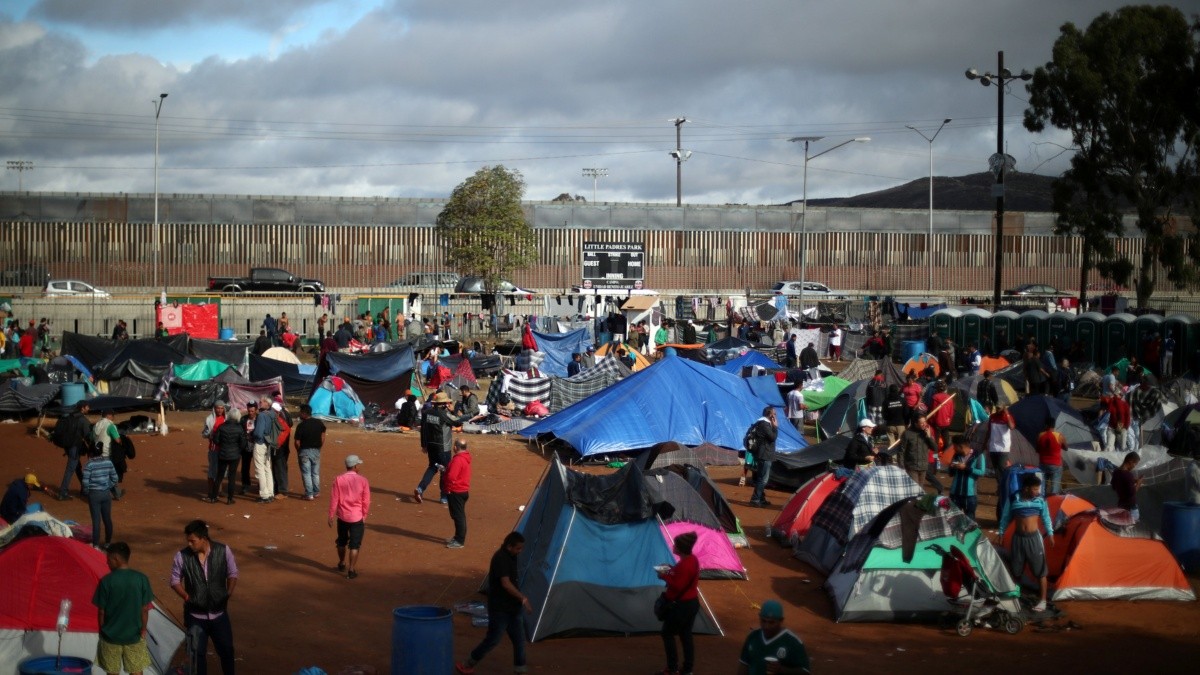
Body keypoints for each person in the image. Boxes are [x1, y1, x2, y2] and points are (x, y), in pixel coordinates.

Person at [456, 532, 532, 675]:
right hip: (500, 608)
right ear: (509, 546)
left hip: (513, 608)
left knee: (519, 640)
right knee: (493, 639)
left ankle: (520, 670)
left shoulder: (511, 556)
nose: (520, 551)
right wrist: (523, 598)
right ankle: (468, 663)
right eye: (518, 548)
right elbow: (506, 583)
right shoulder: (500, 558)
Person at [170, 520, 238, 675]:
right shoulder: (181, 556)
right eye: (188, 541)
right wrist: (187, 596)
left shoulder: (223, 550)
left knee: (227, 651)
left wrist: (228, 593)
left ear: (203, 538)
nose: (189, 544)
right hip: (195, 617)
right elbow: (174, 581)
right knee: (197, 656)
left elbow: (232, 574)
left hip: (219, 615)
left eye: (192, 541)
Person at [92, 542, 154, 675]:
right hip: (134, 636)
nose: (107, 563)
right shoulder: (141, 579)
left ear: (116, 559)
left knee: (112, 671)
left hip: (110, 637)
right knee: (137, 670)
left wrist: (102, 630)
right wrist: (143, 629)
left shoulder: (106, 581)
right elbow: (144, 609)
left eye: (108, 560)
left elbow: (101, 611)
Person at [997, 473, 1054, 613]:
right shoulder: (1013, 498)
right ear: (1026, 488)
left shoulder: (1040, 500)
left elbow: (1046, 518)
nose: (1037, 491)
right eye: (1035, 489)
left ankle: (1043, 600)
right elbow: (1005, 516)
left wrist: (1051, 534)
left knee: (1040, 571)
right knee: (1016, 571)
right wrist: (1001, 532)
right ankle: (1015, 598)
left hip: (1034, 539)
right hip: (1018, 539)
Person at [656, 531, 701, 675]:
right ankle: (687, 669)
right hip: (692, 603)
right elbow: (680, 575)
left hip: (681, 606)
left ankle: (672, 668)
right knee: (686, 635)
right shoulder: (692, 560)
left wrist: (663, 575)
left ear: (680, 548)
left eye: (676, 545)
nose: (674, 546)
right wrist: (670, 569)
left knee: (667, 633)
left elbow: (677, 585)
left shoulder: (684, 565)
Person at [415, 392, 471, 504]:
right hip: (443, 447)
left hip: (431, 445)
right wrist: (453, 411)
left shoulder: (426, 413)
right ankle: (444, 496)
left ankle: (420, 488)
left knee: (432, 467)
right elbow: (457, 421)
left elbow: (423, 430)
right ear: (444, 403)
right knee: (445, 470)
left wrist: (424, 444)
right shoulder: (444, 414)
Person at [737, 599, 810, 675]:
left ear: (781, 621)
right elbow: (744, 665)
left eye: (771, 622)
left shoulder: (793, 642)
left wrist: (781, 670)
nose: (766, 626)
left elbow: (805, 672)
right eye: (763, 621)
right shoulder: (752, 637)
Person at [329, 454, 370, 579]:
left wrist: (331, 515)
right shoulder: (363, 480)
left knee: (341, 541)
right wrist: (364, 515)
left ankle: (342, 562)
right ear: (355, 466)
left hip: (342, 516)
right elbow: (366, 500)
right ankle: (351, 570)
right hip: (357, 517)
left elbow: (334, 499)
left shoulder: (338, 479)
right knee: (354, 544)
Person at [82, 444, 119, 549]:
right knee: (107, 519)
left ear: (91, 453)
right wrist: (108, 486)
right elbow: (115, 478)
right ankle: (107, 543)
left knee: (96, 521)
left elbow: (85, 482)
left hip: (94, 494)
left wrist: (86, 492)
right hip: (106, 494)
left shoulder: (89, 465)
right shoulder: (108, 462)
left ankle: (96, 545)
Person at [56, 400, 92, 500]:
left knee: (76, 467)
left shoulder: (70, 416)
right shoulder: (83, 420)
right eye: (87, 407)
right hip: (75, 448)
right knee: (70, 469)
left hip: (68, 446)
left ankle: (84, 489)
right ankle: (63, 492)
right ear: (82, 408)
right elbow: (88, 436)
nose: (89, 408)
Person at [948, 434, 987, 520]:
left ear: (960, 446)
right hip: (955, 494)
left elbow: (981, 472)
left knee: (969, 520)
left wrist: (966, 468)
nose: (954, 449)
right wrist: (951, 467)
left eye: (955, 447)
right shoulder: (956, 456)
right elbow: (950, 474)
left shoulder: (978, 456)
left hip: (970, 495)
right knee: (954, 519)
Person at [211, 408, 245, 504]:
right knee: (232, 477)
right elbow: (243, 444)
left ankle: (213, 497)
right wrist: (237, 449)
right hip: (234, 455)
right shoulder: (239, 428)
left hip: (223, 454)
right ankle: (230, 499)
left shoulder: (221, 427)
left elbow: (216, 440)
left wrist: (223, 445)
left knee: (219, 476)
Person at [293, 404, 327, 501]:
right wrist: (320, 446)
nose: (299, 414)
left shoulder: (301, 426)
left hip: (304, 451)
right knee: (315, 473)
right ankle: (316, 492)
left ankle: (309, 494)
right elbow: (323, 435)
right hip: (316, 450)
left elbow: (297, 442)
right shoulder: (319, 423)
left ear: (304, 413)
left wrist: (299, 450)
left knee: (306, 473)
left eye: (300, 412)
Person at [986, 404, 1016, 510]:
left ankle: (1004, 489)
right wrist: (986, 444)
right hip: (993, 447)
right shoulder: (992, 417)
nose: (998, 410)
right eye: (997, 408)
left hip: (1003, 449)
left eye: (1000, 408)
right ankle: (1001, 487)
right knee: (997, 470)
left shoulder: (1007, 416)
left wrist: (1007, 414)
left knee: (1002, 469)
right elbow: (989, 431)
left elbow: (1012, 427)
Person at [748, 407, 779, 507]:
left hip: (762, 453)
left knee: (761, 477)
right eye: (774, 414)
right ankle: (755, 499)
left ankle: (761, 498)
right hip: (765, 454)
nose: (775, 415)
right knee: (763, 479)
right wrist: (775, 427)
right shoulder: (764, 425)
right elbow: (772, 438)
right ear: (770, 415)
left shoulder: (760, 423)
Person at [444, 439, 471, 549]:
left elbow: (451, 477)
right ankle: (457, 537)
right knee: (459, 516)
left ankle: (459, 540)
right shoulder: (465, 458)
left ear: (455, 447)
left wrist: (448, 488)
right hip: (462, 491)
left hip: (456, 491)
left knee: (458, 516)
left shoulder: (458, 460)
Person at [900, 417, 937, 493]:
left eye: (925, 422)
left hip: (923, 466)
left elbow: (935, 448)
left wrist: (929, 437)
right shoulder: (907, 433)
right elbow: (901, 450)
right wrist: (901, 466)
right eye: (922, 423)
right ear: (916, 423)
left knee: (920, 490)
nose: (924, 424)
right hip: (911, 466)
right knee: (915, 490)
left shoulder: (927, 433)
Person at [250, 397, 276, 503]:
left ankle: (264, 494)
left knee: (259, 469)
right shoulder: (272, 414)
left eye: (262, 401)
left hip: (260, 443)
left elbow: (258, 432)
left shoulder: (261, 415)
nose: (260, 402)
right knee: (267, 468)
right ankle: (270, 493)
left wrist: (252, 436)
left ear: (267, 403)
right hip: (268, 443)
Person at [201, 401, 227, 503]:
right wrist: (209, 434)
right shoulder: (210, 419)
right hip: (214, 449)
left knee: (222, 471)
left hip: (224, 449)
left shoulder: (226, 418)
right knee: (212, 471)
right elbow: (204, 434)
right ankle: (210, 493)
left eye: (221, 408)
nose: (220, 410)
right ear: (214, 409)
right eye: (218, 408)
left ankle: (219, 491)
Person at [1036, 417, 1066, 496]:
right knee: (1055, 486)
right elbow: (1066, 447)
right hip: (1055, 464)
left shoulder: (1040, 435)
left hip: (1043, 463)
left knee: (1042, 485)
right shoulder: (1059, 436)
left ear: (1046, 425)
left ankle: (1042, 500)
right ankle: (1053, 501)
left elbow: (1037, 450)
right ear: (1054, 426)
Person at [269, 401, 292, 499]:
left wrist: (277, 443)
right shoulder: (284, 415)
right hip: (282, 448)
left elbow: (286, 430)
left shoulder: (279, 420)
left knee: (279, 468)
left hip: (279, 449)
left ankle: (282, 491)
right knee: (278, 467)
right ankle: (277, 488)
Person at [1112, 451, 1142, 520]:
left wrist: (1133, 481)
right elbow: (1132, 493)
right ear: (1130, 461)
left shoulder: (1116, 472)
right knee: (1129, 527)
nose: (1134, 466)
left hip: (1121, 505)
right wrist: (1139, 483)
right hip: (1130, 507)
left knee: (1121, 526)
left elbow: (1114, 486)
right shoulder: (1128, 475)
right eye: (1135, 464)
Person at [239, 403, 257, 496]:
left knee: (259, 467)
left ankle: (260, 485)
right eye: (249, 411)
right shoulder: (243, 419)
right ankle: (245, 485)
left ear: (256, 410)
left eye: (252, 411)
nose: (250, 413)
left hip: (257, 447)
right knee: (245, 467)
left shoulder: (260, 419)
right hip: (246, 447)